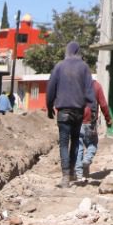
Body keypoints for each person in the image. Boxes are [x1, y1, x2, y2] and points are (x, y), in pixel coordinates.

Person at [44, 41, 95, 187]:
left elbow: (50, 89)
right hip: (78, 112)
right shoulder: (84, 67)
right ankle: (72, 172)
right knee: (75, 143)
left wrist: (49, 107)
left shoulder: (59, 66)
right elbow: (90, 90)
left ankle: (65, 176)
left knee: (64, 144)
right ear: (78, 51)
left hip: (63, 112)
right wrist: (92, 110)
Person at [74, 77, 112, 184]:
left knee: (79, 147)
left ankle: (79, 175)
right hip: (91, 122)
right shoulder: (96, 86)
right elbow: (103, 105)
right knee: (93, 144)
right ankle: (87, 160)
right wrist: (108, 119)